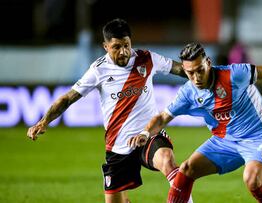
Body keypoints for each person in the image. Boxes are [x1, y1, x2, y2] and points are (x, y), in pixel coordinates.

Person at [128, 42, 262, 203]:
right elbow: (163, 117)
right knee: (186, 170)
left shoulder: (234, 74)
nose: (196, 77)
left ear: (207, 62)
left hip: (260, 136)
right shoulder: (188, 92)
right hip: (225, 141)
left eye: (200, 70)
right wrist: (146, 134)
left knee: (252, 181)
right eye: (190, 73)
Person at [27, 18, 193, 203]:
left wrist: (203, 71)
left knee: (166, 159)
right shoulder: (98, 70)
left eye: (126, 45)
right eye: (116, 47)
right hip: (118, 145)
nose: (123, 52)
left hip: (149, 133)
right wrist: (44, 121)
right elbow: (67, 98)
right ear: (105, 46)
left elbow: (179, 69)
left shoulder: (147, 58)